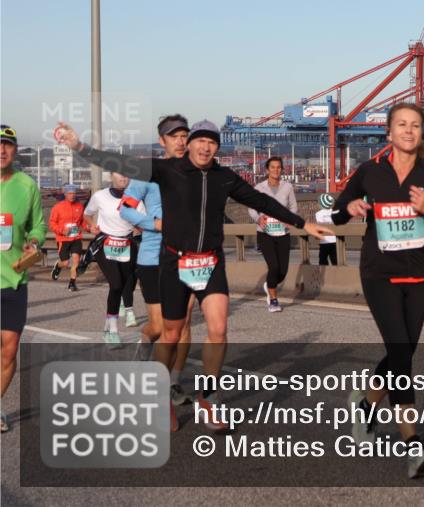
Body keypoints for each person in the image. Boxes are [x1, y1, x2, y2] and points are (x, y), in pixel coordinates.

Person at [57, 119, 333, 433]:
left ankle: (208, 397)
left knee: (218, 328)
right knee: (171, 334)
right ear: (190, 145)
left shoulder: (224, 177)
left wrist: (302, 223)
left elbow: (262, 201)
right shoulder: (167, 170)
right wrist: (79, 146)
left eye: (212, 142)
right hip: (175, 262)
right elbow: (120, 162)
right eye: (199, 141)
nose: (205, 147)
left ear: (217, 147)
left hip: (211, 262)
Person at [332, 102, 424, 479]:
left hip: (420, 274)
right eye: (401, 125)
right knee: (401, 353)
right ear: (388, 133)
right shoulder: (369, 172)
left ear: (422, 134)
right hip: (380, 273)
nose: (408, 131)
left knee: (403, 351)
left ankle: (367, 405)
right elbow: (338, 213)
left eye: (415, 126)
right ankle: (413, 443)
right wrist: (352, 205)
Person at [118, 115, 196, 405]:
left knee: (185, 322)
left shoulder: (196, 172)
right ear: (162, 141)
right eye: (174, 136)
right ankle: (145, 339)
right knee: (161, 328)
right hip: (153, 258)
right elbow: (125, 209)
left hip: (187, 257)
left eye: (184, 135)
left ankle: (173, 383)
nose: (180, 140)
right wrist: (155, 223)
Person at [0, 125, 46, 433]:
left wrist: (35, 241)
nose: (2, 150)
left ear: (16, 150)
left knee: (9, 348)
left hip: (13, 278)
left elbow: (38, 226)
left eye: (7, 145)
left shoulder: (27, 186)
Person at [85, 172, 143, 344]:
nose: (124, 177)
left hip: (127, 244)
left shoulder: (136, 198)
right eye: (120, 174)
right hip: (105, 243)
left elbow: (142, 222)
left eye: (127, 174)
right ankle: (113, 331)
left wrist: (141, 227)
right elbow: (87, 214)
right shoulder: (100, 196)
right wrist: (91, 226)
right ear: (111, 175)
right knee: (116, 284)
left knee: (124, 286)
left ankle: (107, 327)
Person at [247, 157, 297, 312]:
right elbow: (251, 207)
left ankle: (269, 284)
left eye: (279, 167)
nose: (276, 170)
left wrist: (290, 219)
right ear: (267, 170)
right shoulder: (259, 188)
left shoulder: (288, 187)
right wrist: (258, 218)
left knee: (282, 270)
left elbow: (294, 207)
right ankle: (273, 300)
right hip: (265, 233)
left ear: (282, 169)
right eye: (273, 167)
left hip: (283, 232)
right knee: (273, 266)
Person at [49, 183, 87, 291]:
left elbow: (82, 222)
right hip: (63, 239)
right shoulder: (58, 207)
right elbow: (52, 223)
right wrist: (62, 231)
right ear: (65, 194)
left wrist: (90, 228)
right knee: (65, 263)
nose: (72, 195)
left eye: (74, 193)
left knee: (76, 261)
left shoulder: (79, 206)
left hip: (76, 238)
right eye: (70, 193)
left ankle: (72, 283)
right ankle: (58, 266)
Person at [314, 193, 339, 266]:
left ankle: (325, 276)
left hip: (324, 241)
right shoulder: (334, 212)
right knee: (335, 261)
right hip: (334, 240)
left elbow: (319, 227)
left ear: (322, 204)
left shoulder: (318, 214)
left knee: (322, 261)